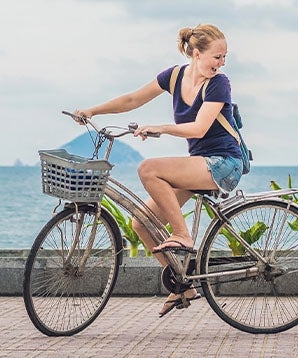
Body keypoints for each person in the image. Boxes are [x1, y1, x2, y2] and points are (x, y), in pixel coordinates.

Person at [73, 24, 243, 317]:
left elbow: (200, 127)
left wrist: (160, 128)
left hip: (224, 163)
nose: (221, 63)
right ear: (197, 53)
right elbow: (132, 99)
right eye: (217, 57)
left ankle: (183, 236)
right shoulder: (174, 76)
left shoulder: (219, 84)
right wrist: (92, 111)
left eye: (224, 57)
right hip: (198, 164)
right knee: (142, 223)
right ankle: (182, 285)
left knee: (149, 168)